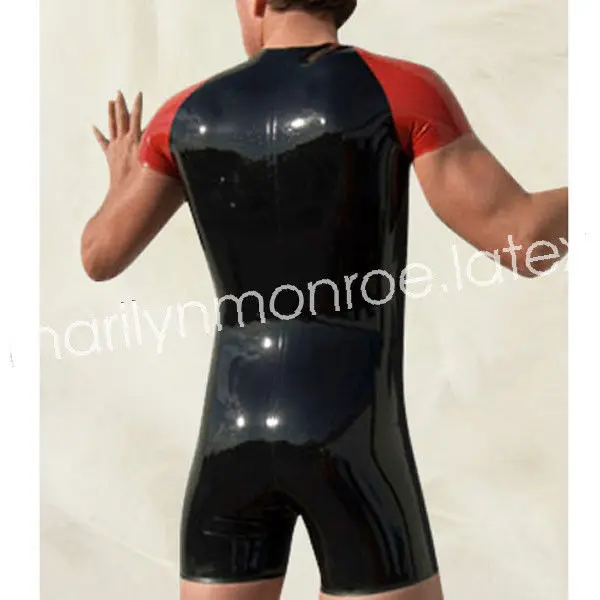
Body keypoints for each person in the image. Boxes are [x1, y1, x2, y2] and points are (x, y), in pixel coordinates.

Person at [81, 1, 569, 599]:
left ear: (258, 2)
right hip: (351, 442)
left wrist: (121, 186)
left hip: (230, 441)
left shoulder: (183, 116)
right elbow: (522, 240)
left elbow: (99, 255)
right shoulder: (400, 90)